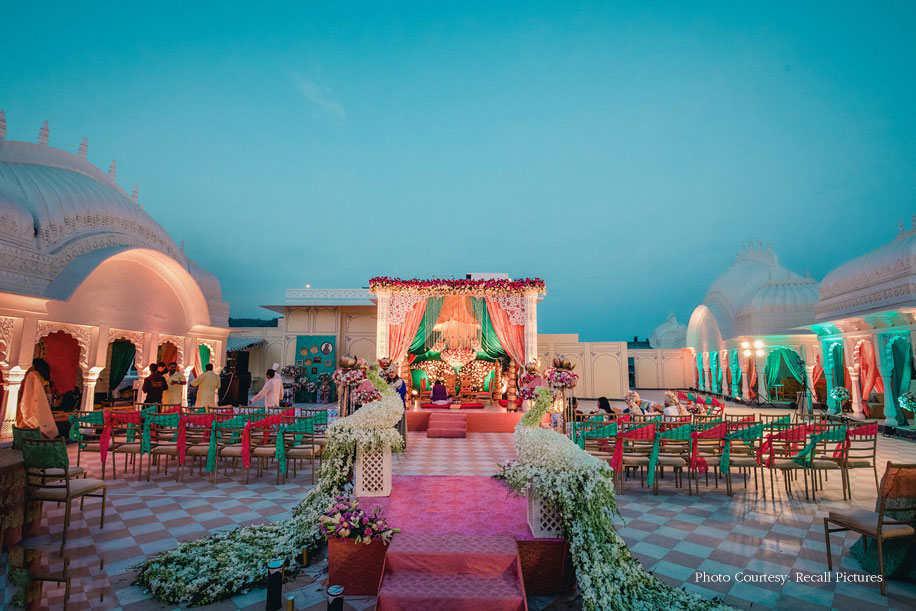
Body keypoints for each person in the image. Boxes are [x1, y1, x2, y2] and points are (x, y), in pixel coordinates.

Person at [17, 358, 58, 438]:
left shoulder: (32, 375)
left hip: (29, 402)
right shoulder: (43, 378)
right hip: (40, 404)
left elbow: (28, 393)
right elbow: (48, 394)